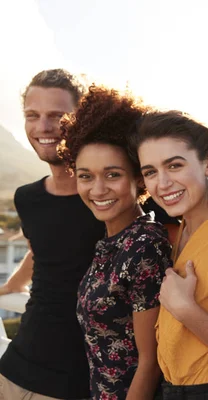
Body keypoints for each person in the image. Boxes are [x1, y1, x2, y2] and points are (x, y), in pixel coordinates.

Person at [0, 69, 106, 399]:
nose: (43, 127)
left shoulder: (108, 198)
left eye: (57, 116)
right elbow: (42, 249)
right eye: (33, 115)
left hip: (73, 383)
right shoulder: (27, 197)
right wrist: (13, 285)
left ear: (81, 119)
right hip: (14, 367)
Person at [59, 85, 170, 399]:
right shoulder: (111, 241)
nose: (97, 190)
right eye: (85, 176)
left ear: (137, 177)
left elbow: (150, 363)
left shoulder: (145, 246)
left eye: (112, 175)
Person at [131, 111, 208, 400]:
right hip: (175, 388)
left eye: (174, 165)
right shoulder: (185, 226)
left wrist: (186, 310)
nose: (162, 183)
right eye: (150, 172)